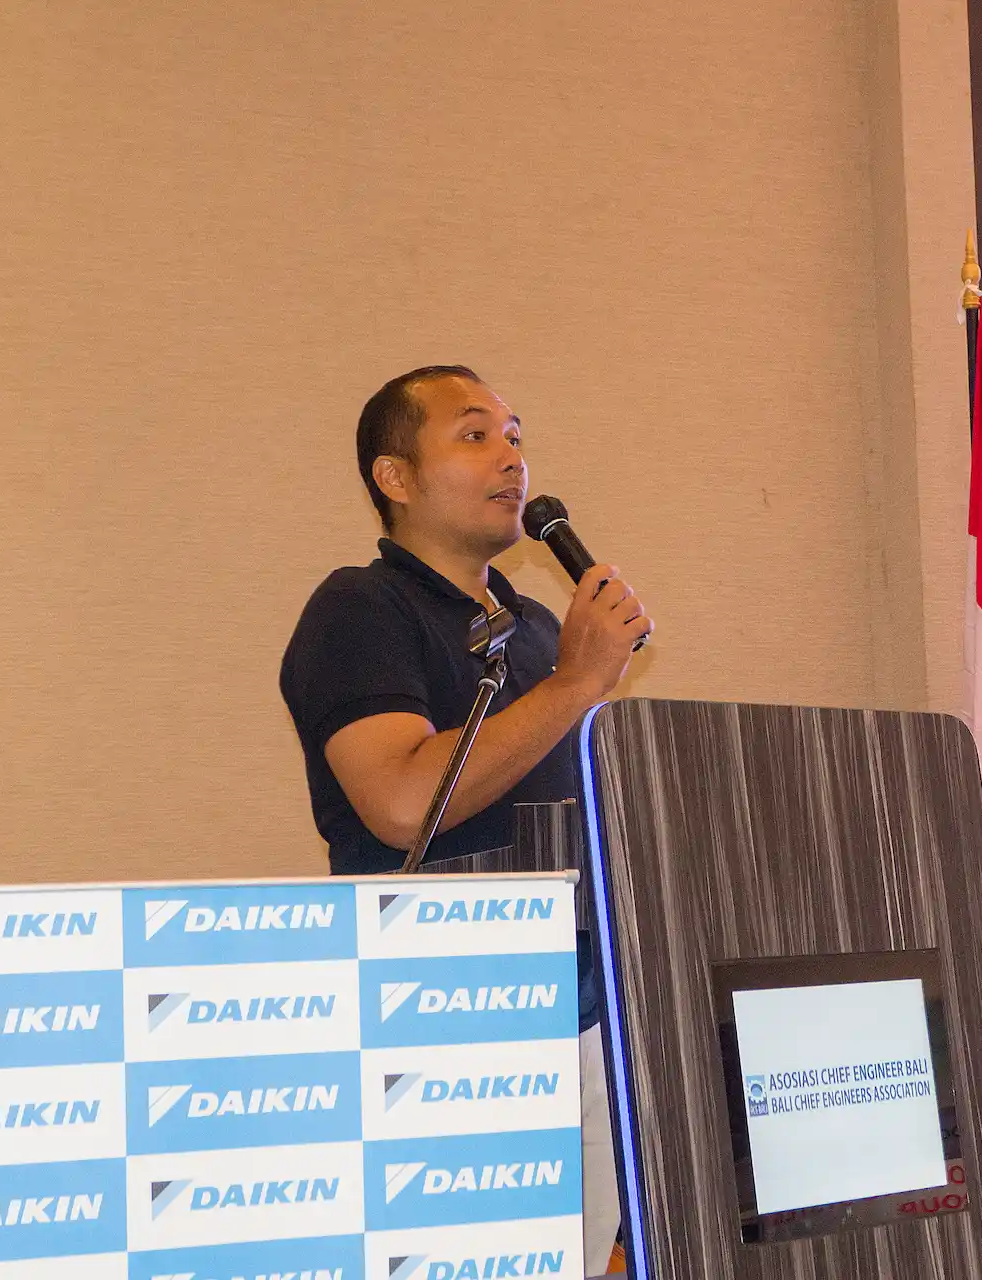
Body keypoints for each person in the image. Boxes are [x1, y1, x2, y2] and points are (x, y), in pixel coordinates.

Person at [280, 365, 645, 1275]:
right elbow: (403, 804)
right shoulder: (359, 609)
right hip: (435, 1020)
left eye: (516, 437)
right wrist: (576, 683)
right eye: (475, 435)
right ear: (394, 476)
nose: (511, 458)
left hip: (579, 1014)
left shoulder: (536, 630)